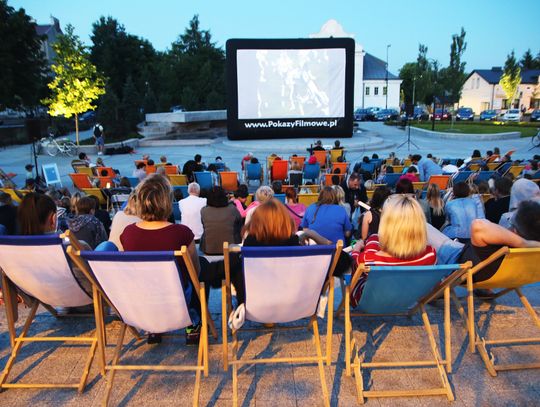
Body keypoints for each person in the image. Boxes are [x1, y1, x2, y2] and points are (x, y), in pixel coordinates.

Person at [120, 174, 204, 344]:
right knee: (199, 272)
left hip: (144, 298)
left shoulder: (128, 234)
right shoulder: (182, 232)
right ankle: (193, 324)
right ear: (167, 202)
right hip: (176, 298)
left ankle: (153, 328)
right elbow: (195, 272)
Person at [349, 194, 437, 307]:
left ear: (387, 226)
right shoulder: (430, 254)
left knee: (372, 241)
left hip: (371, 301)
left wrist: (356, 249)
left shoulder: (369, 260)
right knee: (374, 238)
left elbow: (355, 263)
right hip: (408, 299)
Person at [429, 200, 540, 283]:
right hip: (475, 262)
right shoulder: (531, 252)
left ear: (515, 231)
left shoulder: (515, 244)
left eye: (509, 220)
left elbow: (478, 225)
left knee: (422, 226)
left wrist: (523, 243)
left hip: (456, 262)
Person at [200, 187, 242, 255]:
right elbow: (240, 224)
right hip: (231, 249)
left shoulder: (203, 211)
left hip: (209, 249)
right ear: (224, 196)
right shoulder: (233, 209)